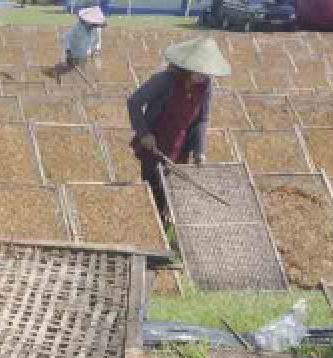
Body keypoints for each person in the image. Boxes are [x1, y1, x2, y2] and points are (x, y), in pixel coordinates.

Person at [127, 37, 230, 214]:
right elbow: (134, 102)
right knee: (155, 193)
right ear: (189, 66)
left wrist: (199, 150)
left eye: (206, 73)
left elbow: (201, 119)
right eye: (199, 71)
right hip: (155, 145)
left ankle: (169, 228)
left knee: (173, 196)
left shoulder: (206, 87)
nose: (202, 76)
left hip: (180, 147)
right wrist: (144, 134)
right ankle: (157, 229)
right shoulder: (165, 80)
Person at [62, 5, 105, 69]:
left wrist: (96, 50)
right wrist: (68, 52)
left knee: (85, 68)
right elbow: (66, 38)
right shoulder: (77, 27)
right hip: (74, 52)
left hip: (86, 54)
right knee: (69, 70)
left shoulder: (97, 29)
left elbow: (98, 41)